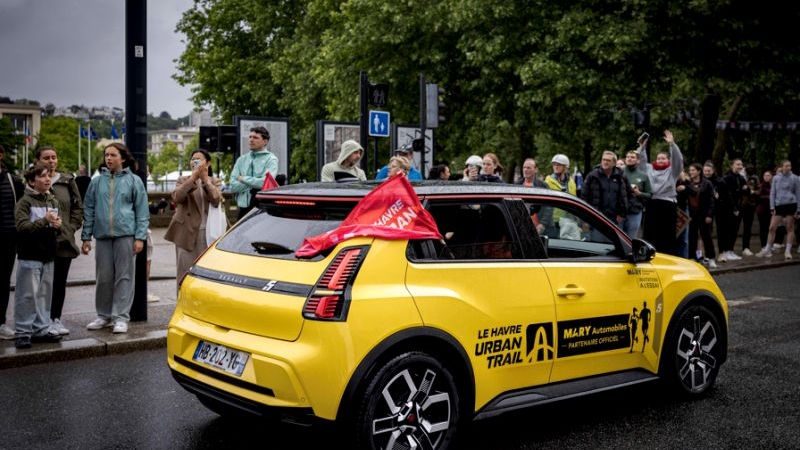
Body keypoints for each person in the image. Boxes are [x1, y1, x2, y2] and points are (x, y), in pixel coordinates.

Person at [81, 143, 149, 334]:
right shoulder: (96, 182)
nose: (108, 158)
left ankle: (120, 317)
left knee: (125, 277)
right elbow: (89, 209)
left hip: (126, 236)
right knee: (103, 278)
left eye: (113, 155)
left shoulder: (134, 181)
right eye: (106, 155)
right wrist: (86, 237)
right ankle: (103, 316)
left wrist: (140, 237)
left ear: (123, 158)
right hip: (102, 236)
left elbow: (142, 211)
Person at [13, 164, 63, 348]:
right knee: (27, 295)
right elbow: (22, 227)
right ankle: (23, 331)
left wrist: (57, 226)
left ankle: (41, 328)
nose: (47, 179)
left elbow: (56, 226)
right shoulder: (24, 202)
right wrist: (45, 221)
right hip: (30, 255)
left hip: (48, 254)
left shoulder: (53, 200)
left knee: (43, 294)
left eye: (48, 175)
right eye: (42, 176)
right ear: (32, 181)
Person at [34, 146, 83, 335]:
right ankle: (39, 320)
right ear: (38, 160)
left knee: (59, 282)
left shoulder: (67, 180)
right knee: (40, 284)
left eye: (54, 157)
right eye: (46, 158)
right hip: (40, 241)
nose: (51, 161)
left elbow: (78, 207)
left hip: (63, 241)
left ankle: (56, 318)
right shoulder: (33, 181)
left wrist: (71, 227)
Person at [165, 149, 223, 284]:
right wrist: (193, 178)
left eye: (199, 159)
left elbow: (216, 199)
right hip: (186, 231)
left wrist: (205, 181)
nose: (195, 162)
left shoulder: (215, 181)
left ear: (207, 163)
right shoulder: (183, 180)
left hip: (208, 232)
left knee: (206, 272)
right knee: (185, 272)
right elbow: (177, 197)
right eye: (193, 159)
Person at [637, 130, 684, 256]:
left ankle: (667, 256)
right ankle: (650, 255)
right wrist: (642, 147)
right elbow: (641, 161)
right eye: (658, 158)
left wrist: (672, 145)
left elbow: (678, 160)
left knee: (667, 235)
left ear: (668, 160)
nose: (660, 160)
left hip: (668, 205)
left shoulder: (672, 171)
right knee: (650, 234)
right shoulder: (649, 169)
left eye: (663, 158)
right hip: (652, 204)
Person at [0, 144, 25, 340]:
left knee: (2, 282)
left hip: (8, 239)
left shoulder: (13, 181)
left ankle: (1, 323)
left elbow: (22, 209)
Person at [229, 126, 278, 219]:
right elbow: (233, 186)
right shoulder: (241, 160)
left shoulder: (271, 159)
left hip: (262, 208)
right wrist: (255, 182)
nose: (251, 140)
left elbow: (264, 183)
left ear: (265, 142)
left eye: (255, 138)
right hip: (243, 208)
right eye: (250, 137)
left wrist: (243, 179)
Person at [755, 160, 800, 259]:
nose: (789, 168)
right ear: (782, 167)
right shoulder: (776, 178)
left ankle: (788, 251)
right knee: (772, 228)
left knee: (790, 228)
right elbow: (773, 193)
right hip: (779, 205)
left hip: (790, 204)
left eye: (790, 166)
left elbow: (798, 194)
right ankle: (767, 249)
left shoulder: (795, 178)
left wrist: (798, 209)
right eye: (786, 166)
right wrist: (772, 207)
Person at [580, 151, 630, 225]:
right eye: (603, 160)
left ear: (614, 163)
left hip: (615, 218)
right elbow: (584, 196)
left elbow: (629, 194)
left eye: (608, 160)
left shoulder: (621, 176)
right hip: (596, 216)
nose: (605, 162)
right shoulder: (592, 176)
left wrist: (623, 213)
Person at [685, 163, 717, 268]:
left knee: (706, 236)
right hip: (692, 215)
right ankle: (692, 258)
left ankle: (711, 257)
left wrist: (709, 214)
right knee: (692, 236)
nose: (691, 172)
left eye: (693, 170)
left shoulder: (707, 184)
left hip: (704, 214)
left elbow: (712, 200)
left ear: (699, 171)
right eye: (690, 170)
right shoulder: (687, 183)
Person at [716, 158, 748, 261]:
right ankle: (726, 250)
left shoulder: (741, 178)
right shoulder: (727, 178)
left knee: (735, 229)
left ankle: (730, 250)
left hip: (738, 207)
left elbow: (746, 190)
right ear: (732, 166)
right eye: (737, 164)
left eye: (741, 165)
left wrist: (746, 188)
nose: (740, 166)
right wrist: (733, 208)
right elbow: (727, 195)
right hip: (728, 208)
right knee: (727, 230)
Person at [620, 150, 652, 238]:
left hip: (635, 212)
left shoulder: (643, 176)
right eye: (628, 157)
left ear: (638, 161)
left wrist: (639, 193)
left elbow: (650, 195)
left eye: (632, 157)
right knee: (617, 239)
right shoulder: (618, 172)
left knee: (630, 240)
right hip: (619, 212)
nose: (629, 159)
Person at [739, 165, 760, 256]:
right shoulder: (739, 177)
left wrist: (754, 192)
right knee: (734, 227)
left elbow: (759, 190)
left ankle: (746, 247)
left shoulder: (755, 178)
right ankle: (729, 249)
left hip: (750, 205)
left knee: (748, 228)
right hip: (739, 205)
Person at [755, 170, 774, 252]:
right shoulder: (761, 186)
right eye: (765, 175)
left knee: (770, 228)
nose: (767, 177)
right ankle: (763, 245)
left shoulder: (773, 185)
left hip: (770, 210)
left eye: (768, 175)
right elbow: (758, 197)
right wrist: (770, 197)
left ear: (771, 176)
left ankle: (769, 244)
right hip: (762, 210)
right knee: (763, 228)